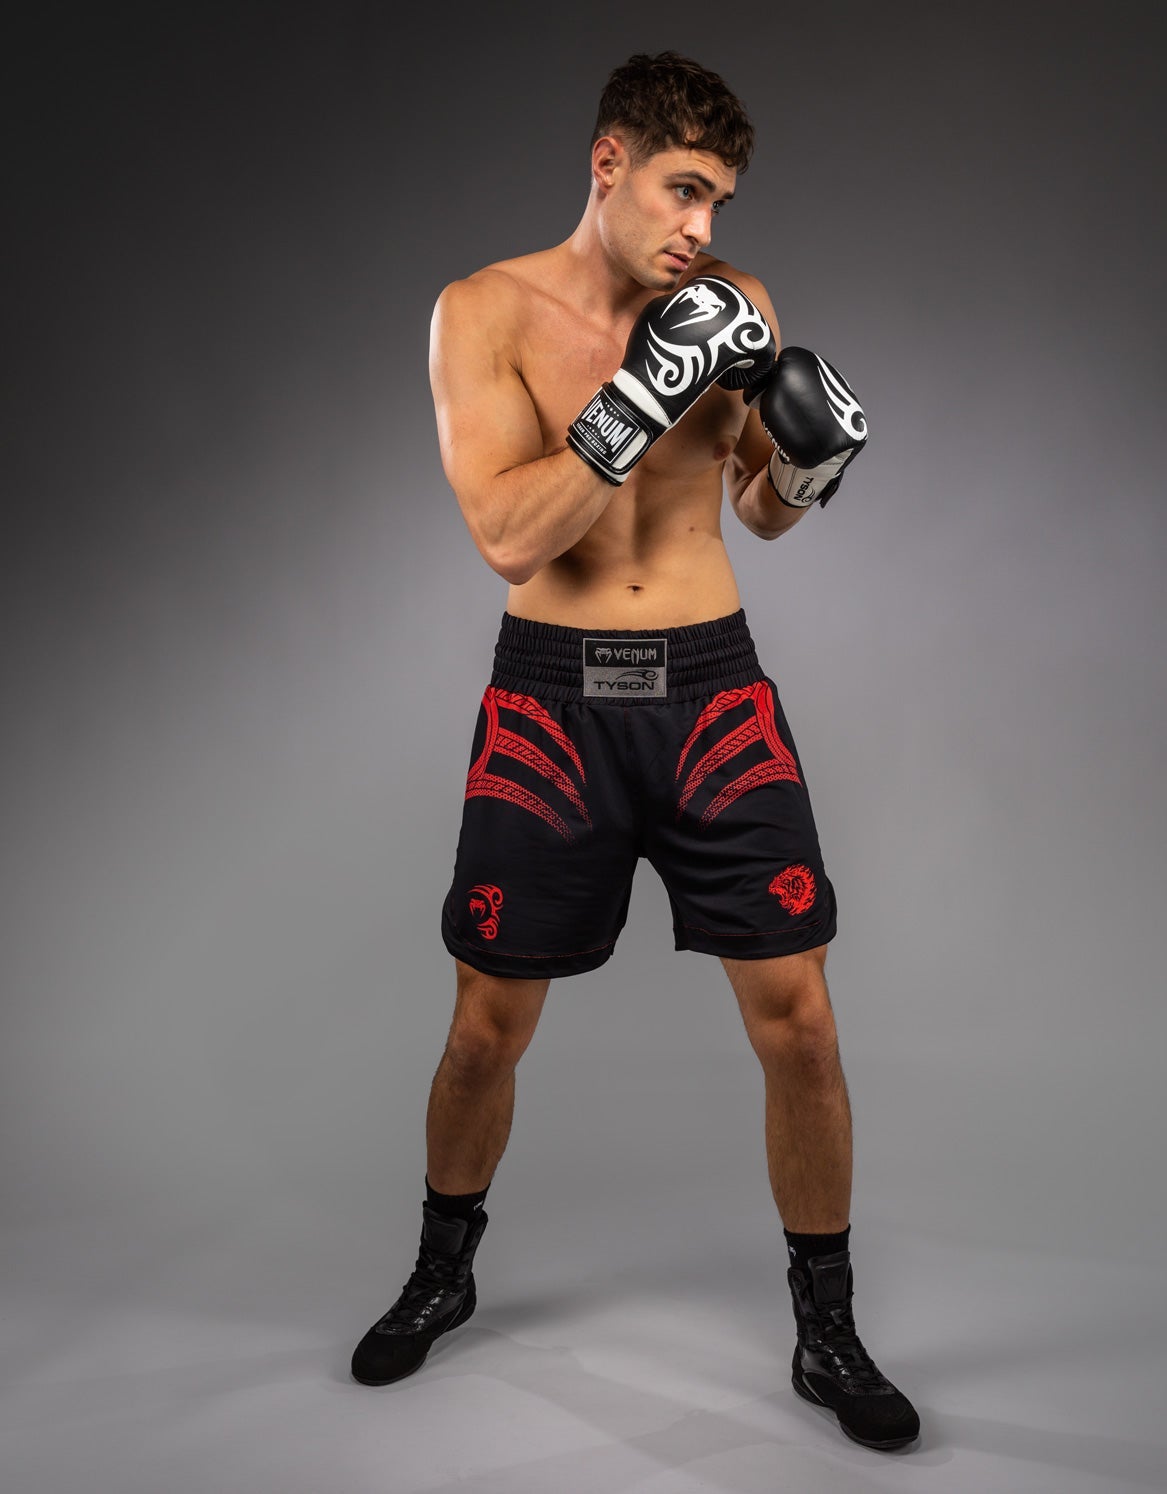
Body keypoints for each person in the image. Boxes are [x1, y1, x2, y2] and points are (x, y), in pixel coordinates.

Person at [350, 50, 918, 1452]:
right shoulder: (482, 311)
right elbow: (506, 533)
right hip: (553, 704)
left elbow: (759, 511)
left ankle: (828, 1329)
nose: (701, 229)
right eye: (683, 190)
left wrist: (808, 465)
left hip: (711, 691)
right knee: (487, 1026)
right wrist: (636, 401)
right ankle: (441, 1268)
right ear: (608, 164)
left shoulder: (735, 304)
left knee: (802, 1019)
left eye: (719, 201)